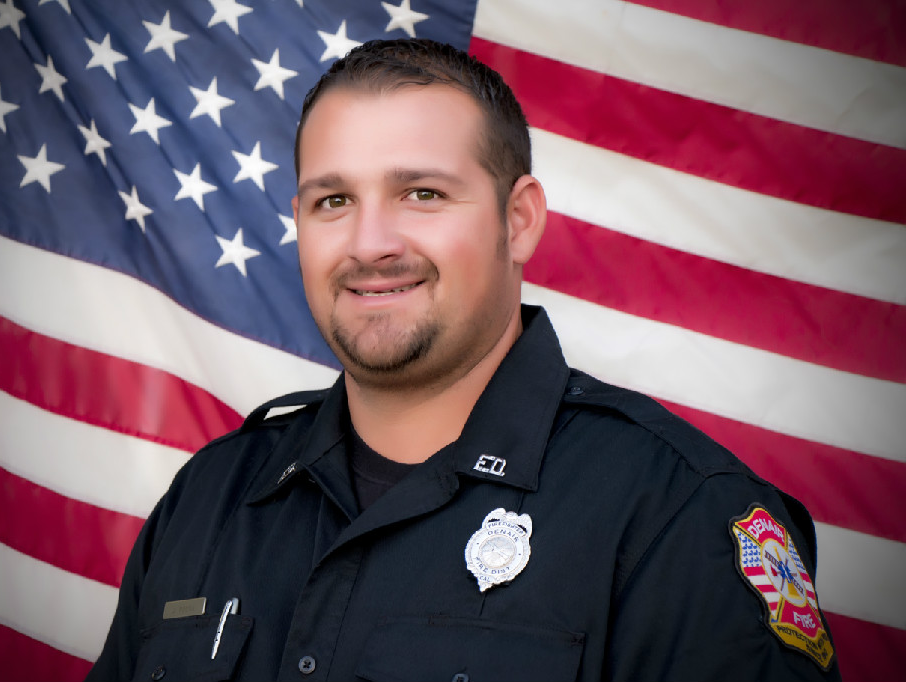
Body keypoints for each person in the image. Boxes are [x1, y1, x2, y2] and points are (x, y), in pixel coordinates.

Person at [87, 39, 840, 681]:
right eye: (333, 201)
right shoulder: (209, 499)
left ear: (519, 221)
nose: (370, 244)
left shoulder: (678, 517)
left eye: (421, 193)